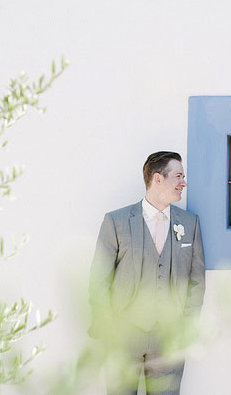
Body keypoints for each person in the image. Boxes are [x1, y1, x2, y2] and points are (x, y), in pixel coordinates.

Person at [89, 151, 205, 395]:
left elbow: (196, 282)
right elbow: (99, 279)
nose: (183, 182)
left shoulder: (190, 223)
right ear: (158, 178)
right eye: (178, 176)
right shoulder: (116, 221)